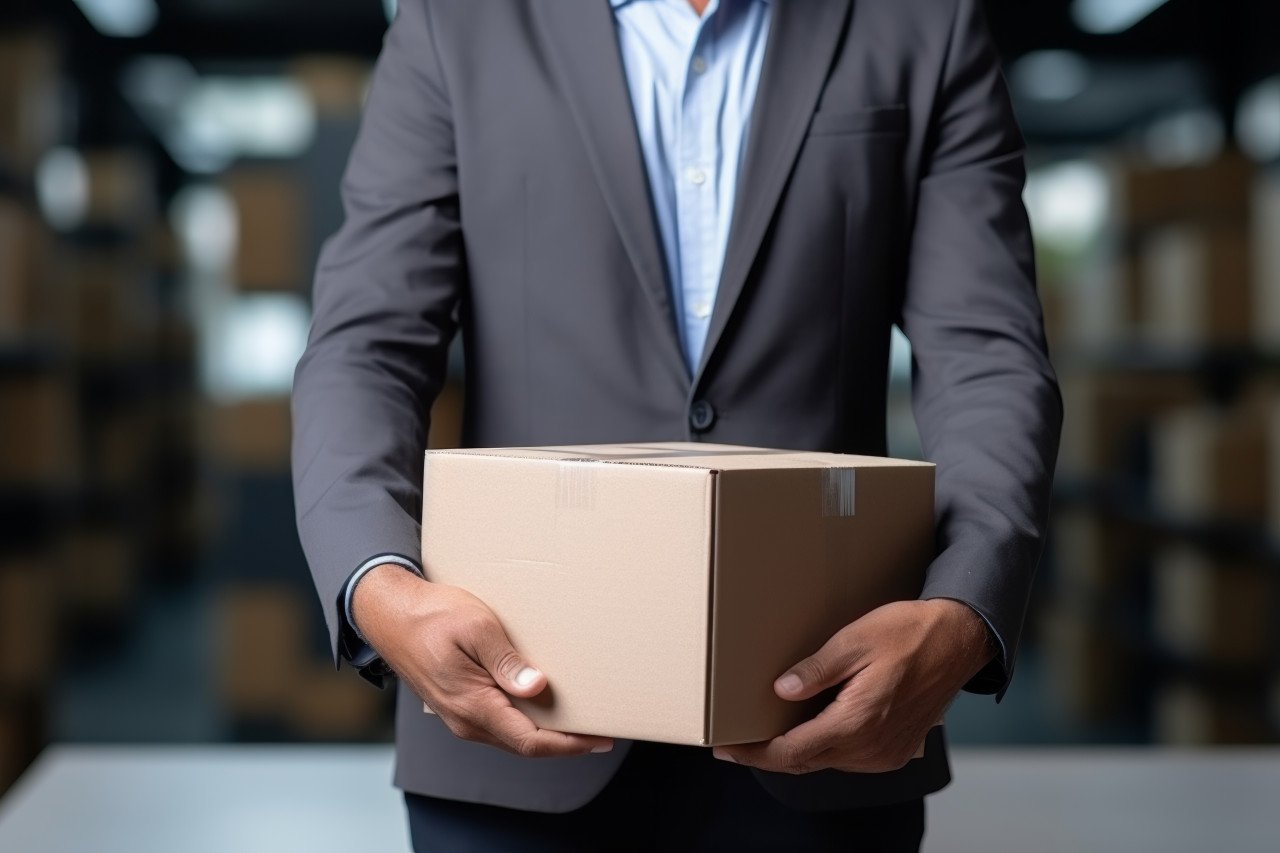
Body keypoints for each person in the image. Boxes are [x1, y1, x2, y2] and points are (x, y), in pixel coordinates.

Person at [291, 0, 1062, 849]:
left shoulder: (922, 24)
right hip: (518, 722)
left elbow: (987, 355)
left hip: (825, 714)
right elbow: (366, 346)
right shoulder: (456, 23)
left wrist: (965, 606)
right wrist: (376, 579)